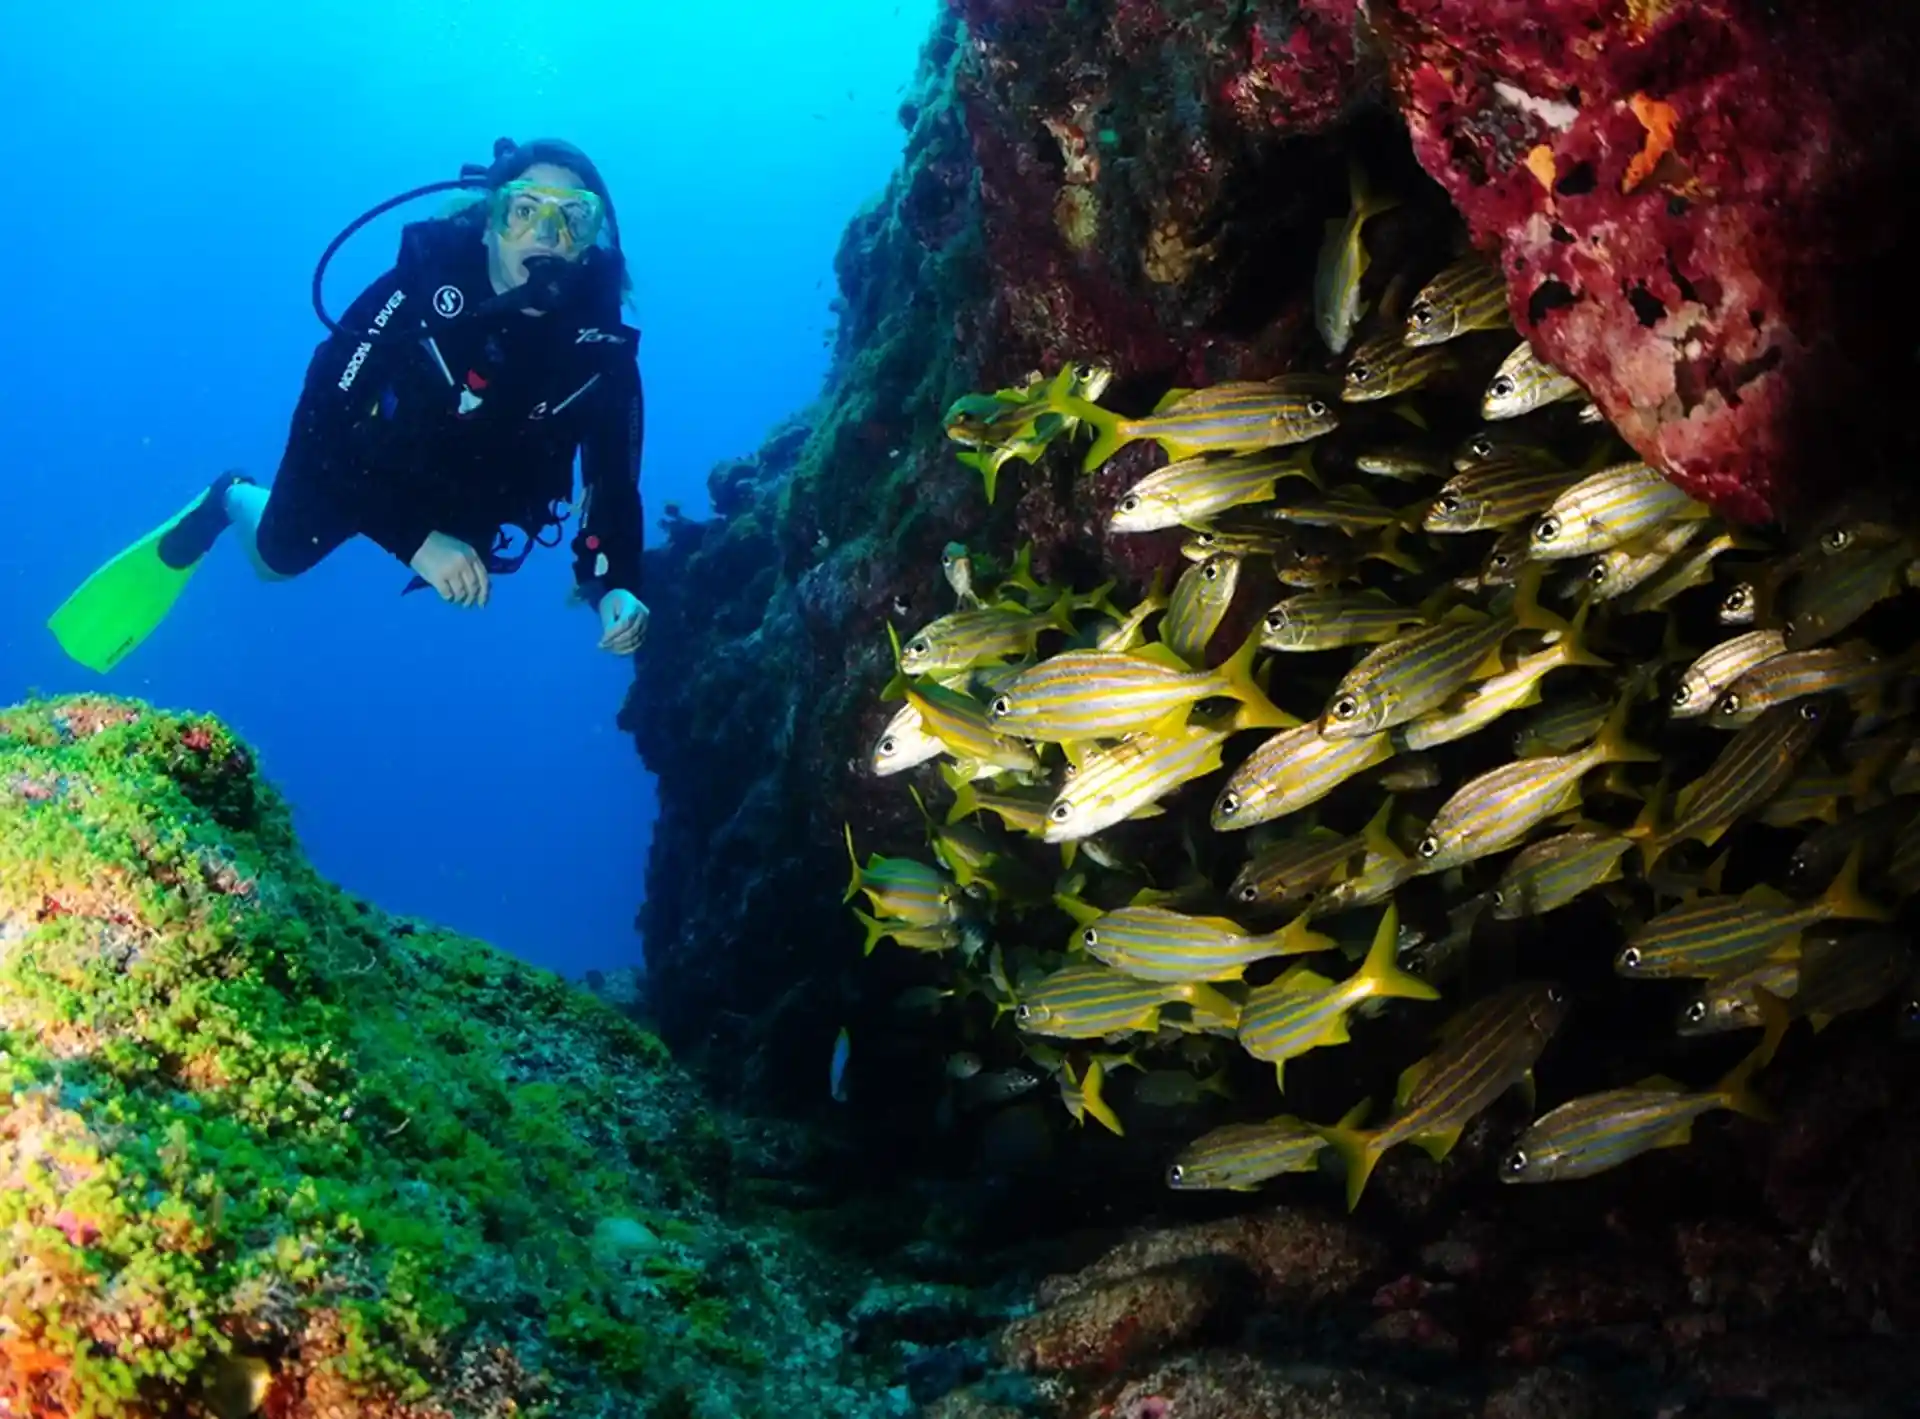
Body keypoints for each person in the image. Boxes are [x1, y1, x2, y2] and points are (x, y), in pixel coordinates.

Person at [49, 136, 650, 673]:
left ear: (593, 242)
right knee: (278, 558)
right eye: (525, 212)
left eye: (574, 217)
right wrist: (413, 537)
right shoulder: (415, 296)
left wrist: (616, 585)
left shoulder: (603, 352)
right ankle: (230, 495)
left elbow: (613, 485)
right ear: (489, 223)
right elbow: (321, 418)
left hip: (472, 497)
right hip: (362, 469)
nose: (547, 237)